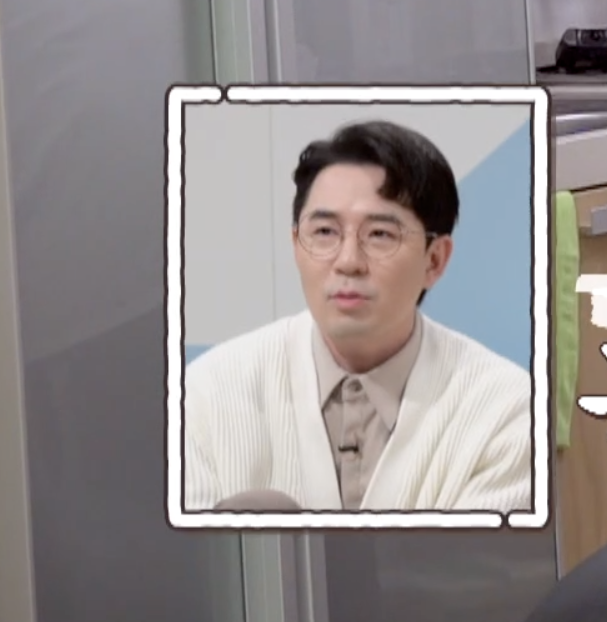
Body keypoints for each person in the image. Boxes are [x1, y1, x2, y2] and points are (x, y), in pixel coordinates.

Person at [183, 119, 535, 515]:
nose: (348, 261)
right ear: (296, 244)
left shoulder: (506, 410)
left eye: (380, 234)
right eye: (324, 232)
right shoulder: (204, 396)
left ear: (434, 260)